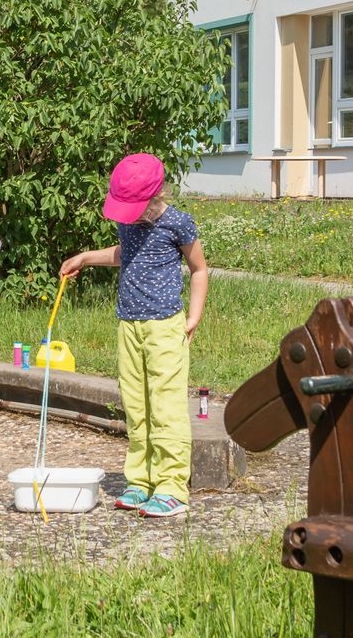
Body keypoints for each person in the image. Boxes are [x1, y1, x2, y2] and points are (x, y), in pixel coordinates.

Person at [59, 153, 208, 519]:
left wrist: (193, 316)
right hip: (129, 325)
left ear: (157, 197)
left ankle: (171, 486)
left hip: (165, 327)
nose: (131, 216)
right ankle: (140, 480)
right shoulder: (129, 224)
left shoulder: (178, 223)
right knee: (136, 406)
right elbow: (125, 254)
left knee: (166, 405)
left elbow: (199, 269)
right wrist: (85, 258)